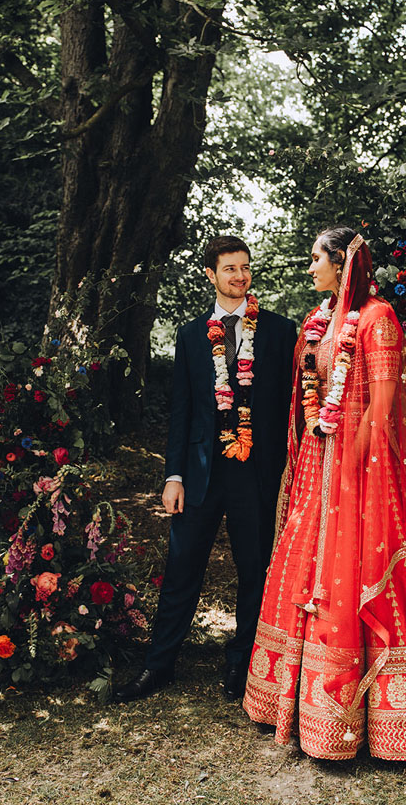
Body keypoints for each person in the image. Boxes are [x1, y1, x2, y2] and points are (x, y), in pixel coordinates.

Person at [243, 227, 406, 760]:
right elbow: (310, 394)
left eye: (315, 260)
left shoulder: (377, 319)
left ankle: (384, 718)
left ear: (342, 264)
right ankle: (302, 707)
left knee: (358, 571)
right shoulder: (320, 319)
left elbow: (382, 408)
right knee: (306, 570)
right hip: (320, 461)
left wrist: (350, 470)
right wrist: (317, 455)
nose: (310, 270)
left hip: (363, 472)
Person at [114, 236, 297, 702]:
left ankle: (243, 664)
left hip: (257, 473)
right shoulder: (192, 334)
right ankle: (159, 666)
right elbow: (182, 408)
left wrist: (289, 473)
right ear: (211, 276)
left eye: (245, 267)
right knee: (181, 570)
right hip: (200, 471)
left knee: (254, 571)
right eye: (230, 269)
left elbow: (291, 407)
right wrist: (173, 475)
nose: (240, 275)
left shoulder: (279, 331)